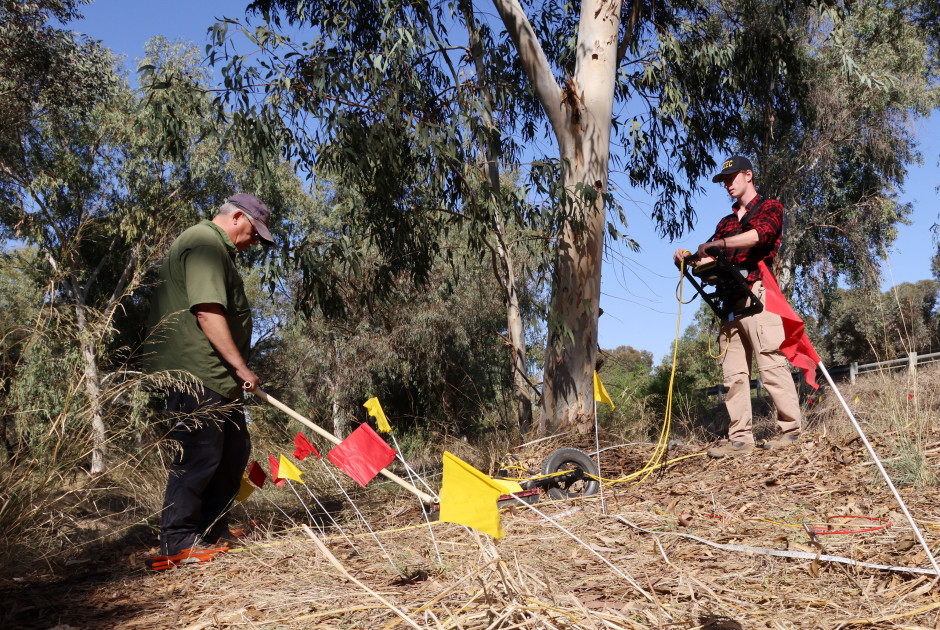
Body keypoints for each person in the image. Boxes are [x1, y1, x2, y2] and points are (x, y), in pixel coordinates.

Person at [147, 193, 274, 555]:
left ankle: (212, 528)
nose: (254, 243)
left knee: (235, 449)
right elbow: (207, 311)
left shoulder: (217, 249)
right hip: (195, 371)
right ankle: (178, 540)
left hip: (216, 376)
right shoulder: (205, 242)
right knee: (200, 452)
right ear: (237, 217)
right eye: (254, 233)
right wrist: (241, 367)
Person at [672, 156, 802, 458]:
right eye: (724, 180)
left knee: (771, 365)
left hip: (758, 295)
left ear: (748, 175)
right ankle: (740, 439)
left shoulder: (770, 207)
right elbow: (708, 254)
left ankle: (791, 432)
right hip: (729, 302)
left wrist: (721, 245)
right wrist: (687, 257)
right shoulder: (726, 222)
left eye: (732, 178)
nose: (728, 184)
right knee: (733, 374)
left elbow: (760, 235)